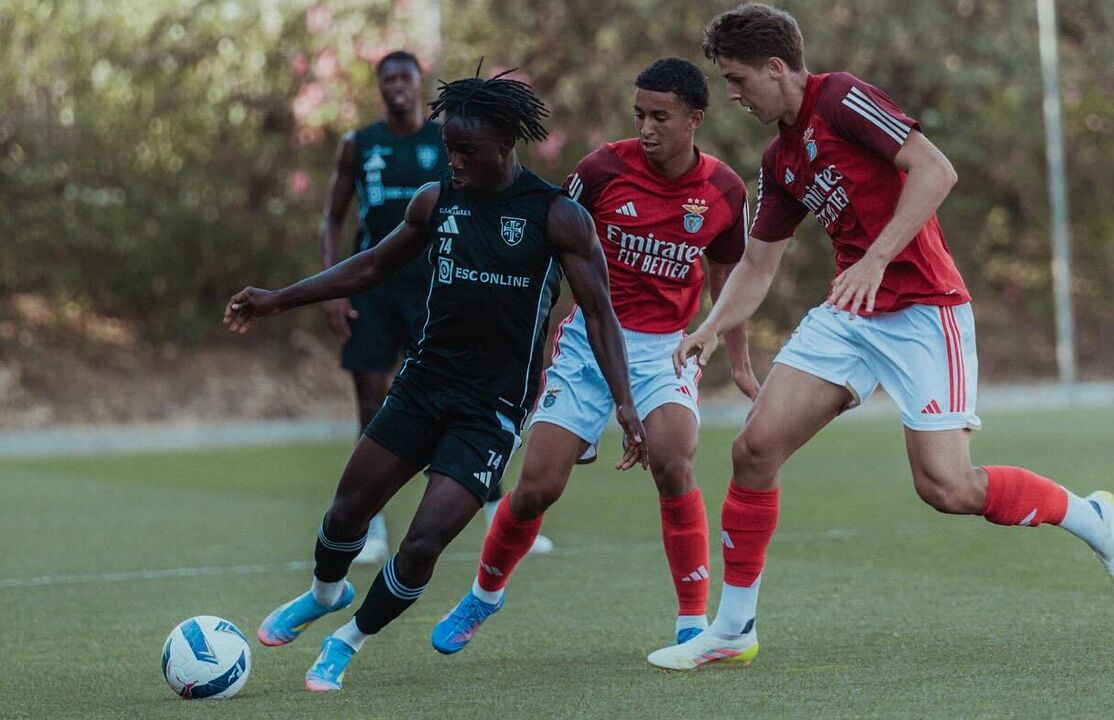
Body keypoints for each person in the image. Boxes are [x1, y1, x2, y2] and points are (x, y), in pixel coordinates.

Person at [647, 3, 1114, 671]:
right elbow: (759, 263)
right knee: (754, 449)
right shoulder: (780, 158)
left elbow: (936, 169)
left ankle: (1092, 517)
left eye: (737, 79)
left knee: (947, 486)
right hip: (851, 314)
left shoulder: (843, 97)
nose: (731, 94)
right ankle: (733, 630)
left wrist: (877, 257)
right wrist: (710, 330)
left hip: (922, 308)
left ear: (776, 68)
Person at [224, 69, 648, 691]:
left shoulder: (557, 217)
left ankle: (349, 642)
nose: (452, 161)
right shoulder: (435, 200)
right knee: (346, 513)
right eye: (448, 148)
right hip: (423, 385)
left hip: (491, 409)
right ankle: (324, 594)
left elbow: (603, 315)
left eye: (465, 151)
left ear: (504, 144)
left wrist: (626, 406)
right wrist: (277, 300)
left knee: (422, 544)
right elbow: (370, 265)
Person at [430, 57, 758, 654]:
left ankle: (692, 623)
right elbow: (552, 243)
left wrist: (734, 358)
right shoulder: (603, 169)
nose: (647, 127)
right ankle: (484, 593)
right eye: (640, 114)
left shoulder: (724, 191)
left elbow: (727, 275)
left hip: (666, 349)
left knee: (672, 460)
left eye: (661, 116)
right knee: (536, 487)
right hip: (587, 343)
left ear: (695, 120)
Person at [319, 50, 550, 563]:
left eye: (406, 77)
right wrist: (336, 289)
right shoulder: (360, 144)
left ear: (420, 83)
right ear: (379, 86)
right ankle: (371, 527)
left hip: (438, 287)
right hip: (375, 292)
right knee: (374, 405)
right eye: (388, 79)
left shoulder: (448, 140)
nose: (397, 86)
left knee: (465, 397)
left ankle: (494, 510)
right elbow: (332, 219)